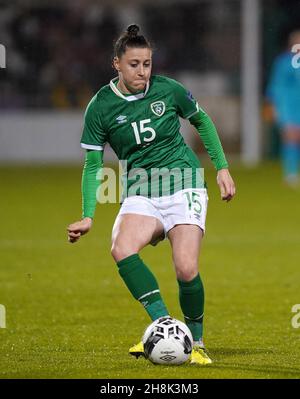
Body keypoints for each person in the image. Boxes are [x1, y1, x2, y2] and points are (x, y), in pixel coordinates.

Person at [67, 24, 236, 365]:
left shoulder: (168, 90)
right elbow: (93, 165)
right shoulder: (100, 107)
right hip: (140, 190)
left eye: (147, 63)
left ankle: (196, 342)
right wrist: (88, 215)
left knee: (186, 268)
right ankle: (162, 325)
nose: (142, 71)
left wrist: (221, 166)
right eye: (134, 64)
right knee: (121, 247)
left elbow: (201, 120)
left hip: (183, 182)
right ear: (116, 63)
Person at [266, 30, 300, 186]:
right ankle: (290, 173)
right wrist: (272, 105)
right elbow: (275, 85)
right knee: (291, 137)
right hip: (287, 105)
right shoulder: (283, 62)